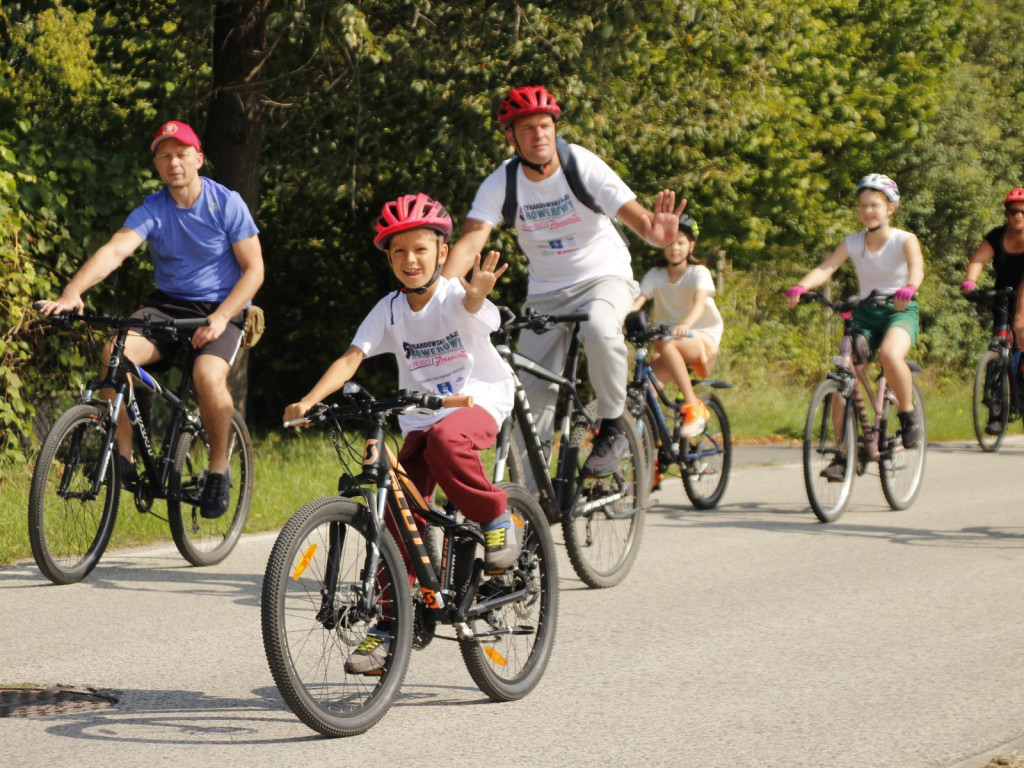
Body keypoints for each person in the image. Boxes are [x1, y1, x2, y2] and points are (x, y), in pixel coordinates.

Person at [282, 193, 518, 675]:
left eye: (421, 249)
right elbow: (352, 357)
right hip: (419, 417)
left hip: (477, 401)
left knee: (446, 441)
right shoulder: (389, 310)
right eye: (399, 252)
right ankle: (393, 623)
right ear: (388, 258)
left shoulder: (455, 294)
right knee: (393, 510)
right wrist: (309, 400)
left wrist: (479, 290)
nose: (410, 260)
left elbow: (473, 305)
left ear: (442, 252)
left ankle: (496, 518)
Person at [444, 85, 686, 478]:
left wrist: (658, 237)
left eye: (545, 125)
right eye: (527, 129)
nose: (539, 135)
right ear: (511, 138)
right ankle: (530, 501)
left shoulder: (581, 164)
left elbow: (640, 220)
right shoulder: (501, 184)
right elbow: (471, 241)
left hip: (604, 276)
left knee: (600, 324)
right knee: (530, 391)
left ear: (555, 128)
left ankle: (612, 423)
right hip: (546, 292)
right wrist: (437, 291)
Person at [36, 120, 264, 519]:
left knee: (208, 378)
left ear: (198, 158)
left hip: (220, 308)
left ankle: (217, 470)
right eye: (165, 155)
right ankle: (122, 456)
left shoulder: (226, 203)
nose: (174, 162)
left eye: (181, 154)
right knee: (113, 353)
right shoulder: (153, 209)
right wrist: (72, 293)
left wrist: (221, 316)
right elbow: (114, 251)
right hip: (167, 306)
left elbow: (254, 270)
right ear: (157, 163)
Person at [785, 173, 925, 472]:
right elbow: (826, 268)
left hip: (899, 310)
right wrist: (801, 287)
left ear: (891, 208)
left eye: (874, 205)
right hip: (865, 313)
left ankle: (907, 411)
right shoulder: (852, 242)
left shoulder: (905, 239)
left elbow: (916, 269)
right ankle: (845, 454)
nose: (867, 211)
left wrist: (909, 287)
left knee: (890, 355)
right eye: (862, 205)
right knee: (844, 373)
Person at [630, 213, 723, 439]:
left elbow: (700, 303)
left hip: (700, 337)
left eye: (680, 242)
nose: (674, 248)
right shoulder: (656, 275)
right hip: (669, 341)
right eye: (669, 243)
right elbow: (638, 301)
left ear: (691, 245)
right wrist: (622, 320)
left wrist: (685, 324)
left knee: (664, 341)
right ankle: (652, 455)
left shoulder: (698, 273)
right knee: (646, 394)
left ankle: (694, 406)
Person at [962, 188, 1024, 434]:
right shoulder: (997, 236)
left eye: (1023, 211)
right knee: (997, 348)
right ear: (1007, 214)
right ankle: (995, 411)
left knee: (1021, 341)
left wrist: (1020, 318)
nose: (1018, 216)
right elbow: (978, 260)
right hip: (1003, 296)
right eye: (1013, 211)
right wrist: (970, 282)